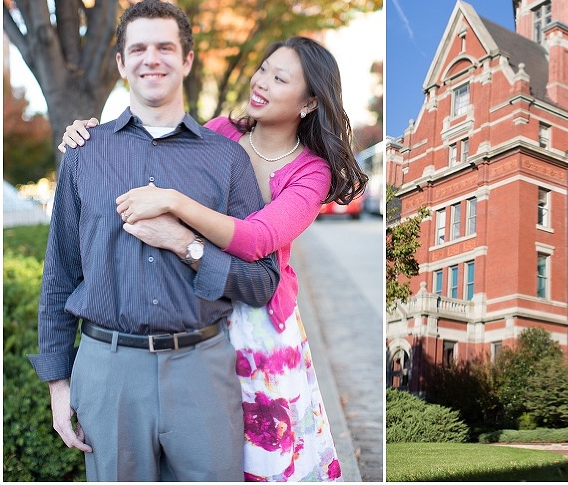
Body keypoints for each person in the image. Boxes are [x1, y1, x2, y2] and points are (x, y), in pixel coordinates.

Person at [60, 36, 368, 481]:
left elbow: (258, 238)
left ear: (309, 103)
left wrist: (178, 208)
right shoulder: (221, 131)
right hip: (193, 310)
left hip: (258, 323)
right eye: (262, 68)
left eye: (279, 78)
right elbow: (156, 155)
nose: (260, 82)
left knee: (255, 457)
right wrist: (94, 137)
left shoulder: (311, 170)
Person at [30, 0, 280, 481]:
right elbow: (59, 274)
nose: (153, 59)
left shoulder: (226, 160)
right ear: (122, 63)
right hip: (108, 372)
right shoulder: (85, 153)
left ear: (186, 60)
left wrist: (188, 245)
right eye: (138, 48)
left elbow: (262, 281)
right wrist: (58, 385)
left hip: (202, 371)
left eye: (166, 47)